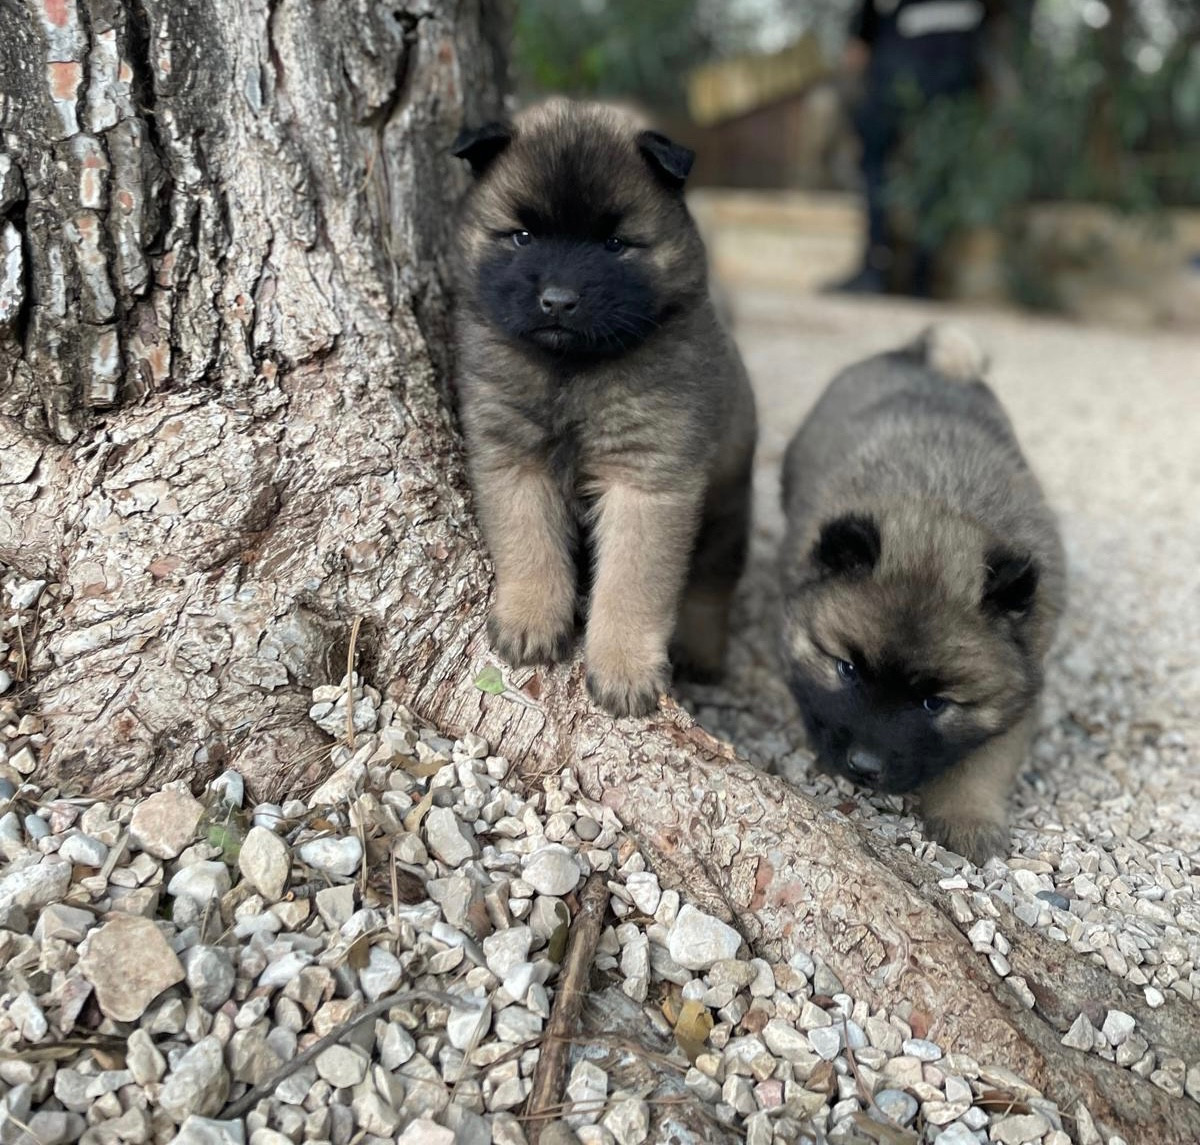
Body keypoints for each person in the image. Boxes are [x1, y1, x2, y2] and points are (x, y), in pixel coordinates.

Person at [829, 0, 992, 296]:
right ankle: (918, 277)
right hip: (956, 63)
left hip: (906, 63)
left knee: (879, 161)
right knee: (931, 167)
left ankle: (878, 269)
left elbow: (859, 45)